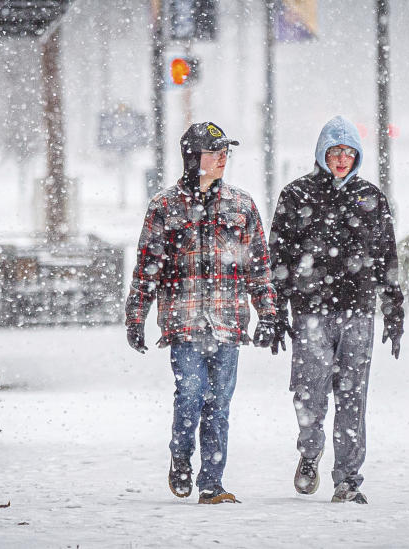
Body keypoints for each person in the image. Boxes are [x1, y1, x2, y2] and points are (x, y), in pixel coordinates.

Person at [125, 121, 277, 504]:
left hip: (228, 321)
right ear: (193, 158)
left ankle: (212, 482)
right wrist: (136, 315)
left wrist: (269, 314)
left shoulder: (242, 206)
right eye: (215, 152)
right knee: (191, 393)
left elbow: (258, 266)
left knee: (219, 404)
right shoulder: (165, 206)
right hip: (184, 319)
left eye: (227, 152)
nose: (224, 158)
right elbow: (147, 266)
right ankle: (181, 455)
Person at [268, 115, 404, 504]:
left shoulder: (371, 198)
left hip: (358, 313)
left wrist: (393, 311)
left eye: (348, 152)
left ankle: (347, 479)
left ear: (357, 155)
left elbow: (387, 259)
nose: (341, 159)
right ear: (321, 153)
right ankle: (310, 452)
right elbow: (278, 256)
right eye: (334, 151)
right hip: (310, 312)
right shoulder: (296, 196)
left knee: (353, 398)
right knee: (310, 393)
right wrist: (276, 311)